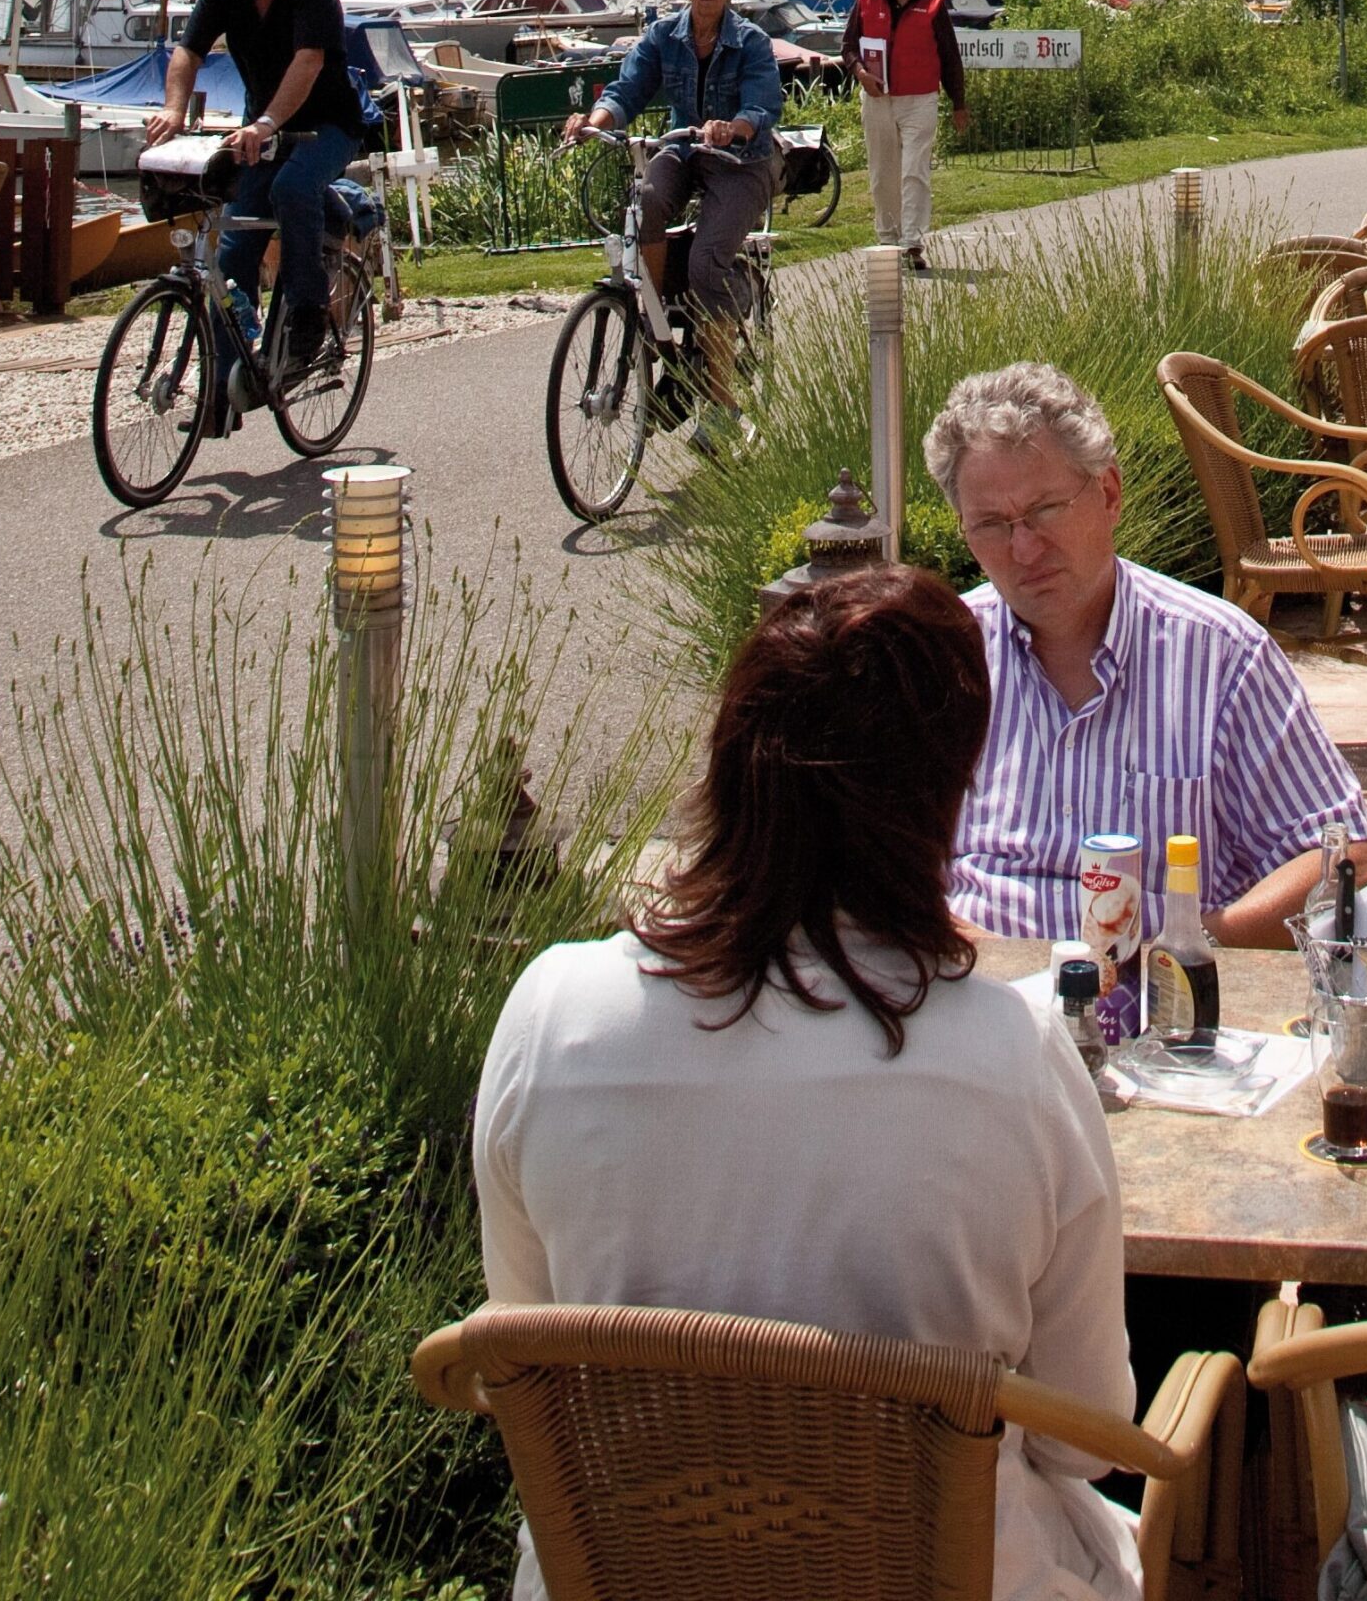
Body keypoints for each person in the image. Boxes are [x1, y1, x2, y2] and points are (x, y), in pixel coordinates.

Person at [474, 565, 1143, 1601]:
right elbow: (1085, 1436)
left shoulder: (551, 1013)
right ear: (945, 795)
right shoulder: (1014, 1059)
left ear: (730, 763)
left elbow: (519, 1359)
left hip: (623, 1576)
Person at [922, 363, 1367, 948]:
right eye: (991, 523)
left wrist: (1190, 946)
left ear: (1108, 494)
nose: (1024, 546)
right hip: (981, 1000)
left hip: (1160, 1013)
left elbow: (1350, 862)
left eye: (1045, 511)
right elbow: (865, 852)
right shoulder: (940, 659)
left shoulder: (1218, 657)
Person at [562, 0, 782, 427]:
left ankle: (722, 403)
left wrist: (735, 126)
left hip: (742, 162)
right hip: (683, 148)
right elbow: (627, 89)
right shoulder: (663, 36)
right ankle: (654, 320)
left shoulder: (751, 41)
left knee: (707, 263)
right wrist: (592, 123)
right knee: (647, 200)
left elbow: (762, 103)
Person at [143, 0, 363, 387]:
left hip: (329, 125)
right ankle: (221, 393)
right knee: (233, 259)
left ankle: (307, 312)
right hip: (264, 129)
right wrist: (174, 108)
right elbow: (187, 52)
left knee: (291, 188)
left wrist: (263, 125)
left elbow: (308, 63)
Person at [849, 0, 970, 269]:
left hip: (920, 98)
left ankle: (912, 242)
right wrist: (860, 72)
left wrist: (958, 102)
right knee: (882, 171)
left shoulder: (933, 1)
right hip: (878, 97)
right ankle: (888, 238)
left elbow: (949, 55)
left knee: (914, 169)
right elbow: (849, 46)